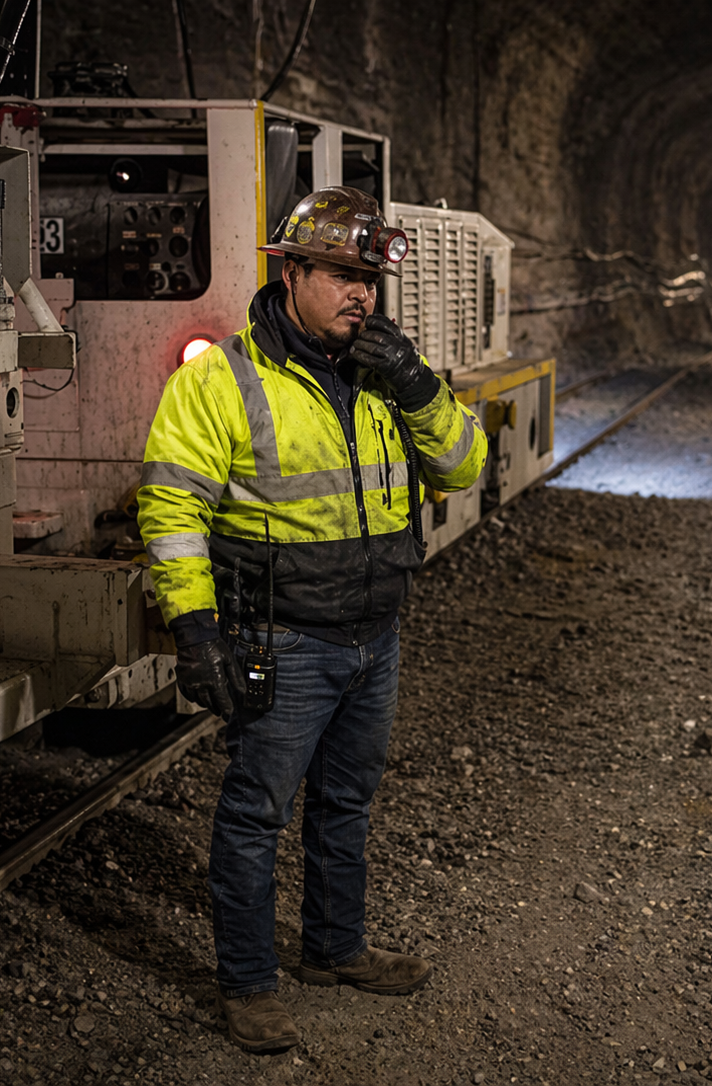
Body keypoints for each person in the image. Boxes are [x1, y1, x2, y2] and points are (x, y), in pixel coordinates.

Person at [137, 186, 487, 1053]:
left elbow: (463, 467)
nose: (358, 292)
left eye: (367, 275)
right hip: (284, 638)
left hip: (375, 633)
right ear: (292, 274)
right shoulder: (223, 378)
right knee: (257, 814)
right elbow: (173, 508)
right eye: (338, 273)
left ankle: (335, 950)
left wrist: (417, 384)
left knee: (346, 803)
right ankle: (249, 985)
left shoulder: (385, 377)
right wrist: (195, 629)